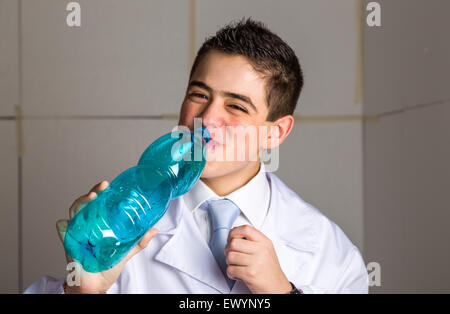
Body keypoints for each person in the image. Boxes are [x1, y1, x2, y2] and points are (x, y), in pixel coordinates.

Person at [25, 18, 368, 294]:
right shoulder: (119, 221)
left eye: (236, 105)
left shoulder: (327, 250)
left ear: (275, 132)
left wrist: (284, 293)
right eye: (199, 94)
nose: (207, 117)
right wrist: (83, 292)